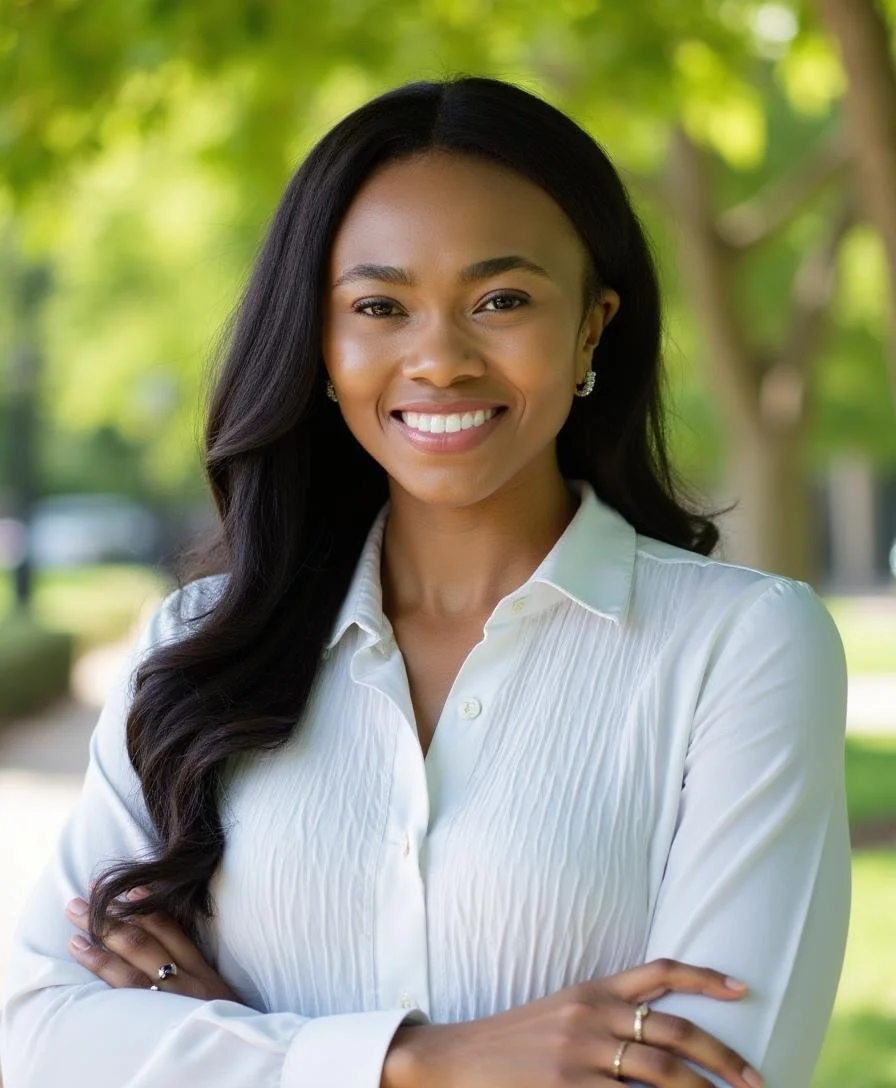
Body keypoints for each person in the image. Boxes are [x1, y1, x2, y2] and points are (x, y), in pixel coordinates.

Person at [0, 76, 849, 1088]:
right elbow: (39, 1035)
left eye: (500, 299)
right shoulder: (192, 644)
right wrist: (411, 1061)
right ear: (320, 342)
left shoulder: (741, 646)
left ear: (590, 325)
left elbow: (714, 1074)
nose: (438, 358)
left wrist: (227, 1039)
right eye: (378, 305)